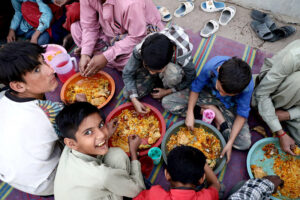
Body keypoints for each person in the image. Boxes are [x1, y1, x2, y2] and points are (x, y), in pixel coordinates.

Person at [0, 42, 63, 195]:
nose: (51, 69)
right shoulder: (50, 112)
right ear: (18, 86)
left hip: (18, 179)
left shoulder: (2, 97)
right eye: (37, 70)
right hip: (47, 181)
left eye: (43, 60)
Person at [163, 56, 254, 162]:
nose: (222, 94)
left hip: (229, 106)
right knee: (168, 102)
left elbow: (242, 114)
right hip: (207, 94)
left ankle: (218, 116)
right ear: (218, 70)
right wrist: (190, 113)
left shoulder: (246, 87)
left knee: (244, 143)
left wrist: (230, 143)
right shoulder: (211, 67)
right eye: (219, 89)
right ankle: (210, 111)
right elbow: (196, 88)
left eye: (227, 93)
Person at [54, 102, 145, 200]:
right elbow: (139, 191)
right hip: (103, 180)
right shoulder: (103, 176)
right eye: (88, 132)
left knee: (114, 155)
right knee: (118, 156)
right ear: (71, 143)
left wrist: (107, 135)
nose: (102, 135)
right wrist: (133, 153)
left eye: (101, 125)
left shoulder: (69, 148)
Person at [71, 0, 164, 76]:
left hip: (141, 33)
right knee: (75, 28)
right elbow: (89, 26)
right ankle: (104, 55)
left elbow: (137, 37)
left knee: (137, 57)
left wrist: (106, 57)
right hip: (110, 32)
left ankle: (104, 56)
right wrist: (85, 53)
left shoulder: (131, 3)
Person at [123, 25, 196, 114]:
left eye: (156, 71)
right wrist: (134, 100)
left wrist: (167, 91)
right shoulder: (141, 49)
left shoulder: (183, 57)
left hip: (172, 69)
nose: (151, 73)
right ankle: (155, 80)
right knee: (128, 93)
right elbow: (127, 74)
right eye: (147, 67)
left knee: (173, 74)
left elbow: (190, 78)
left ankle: (164, 82)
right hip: (158, 62)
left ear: (168, 62)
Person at [252, 39, 300, 155]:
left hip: (294, 106)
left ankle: (272, 115)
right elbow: (262, 93)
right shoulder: (294, 57)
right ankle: (268, 112)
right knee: (297, 82)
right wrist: (281, 133)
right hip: (274, 91)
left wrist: (287, 115)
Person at [134, 146, 220, 200]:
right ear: (202, 179)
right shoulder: (207, 197)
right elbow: (216, 184)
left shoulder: (154, 195)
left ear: (167, 174)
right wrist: (199, 160)